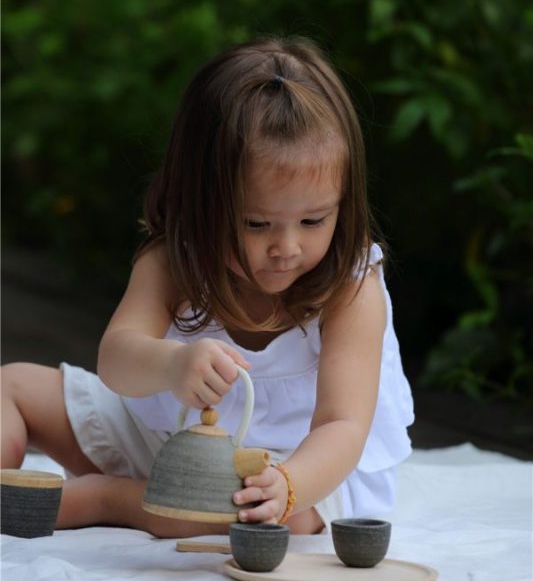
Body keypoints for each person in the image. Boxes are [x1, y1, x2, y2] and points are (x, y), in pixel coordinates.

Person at [1, 36, 413, 537]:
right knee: (13, 385)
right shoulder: (175, 262)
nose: (286, 247)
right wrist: (171, 364)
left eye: (313, 220)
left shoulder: (350, 289)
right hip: (163, 439)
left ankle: (109, 499)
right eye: (256, 224)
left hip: (285, 468)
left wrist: (289, 485)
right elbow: (116, 360)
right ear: (200, 203)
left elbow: (341, 425)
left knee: (281, 516)